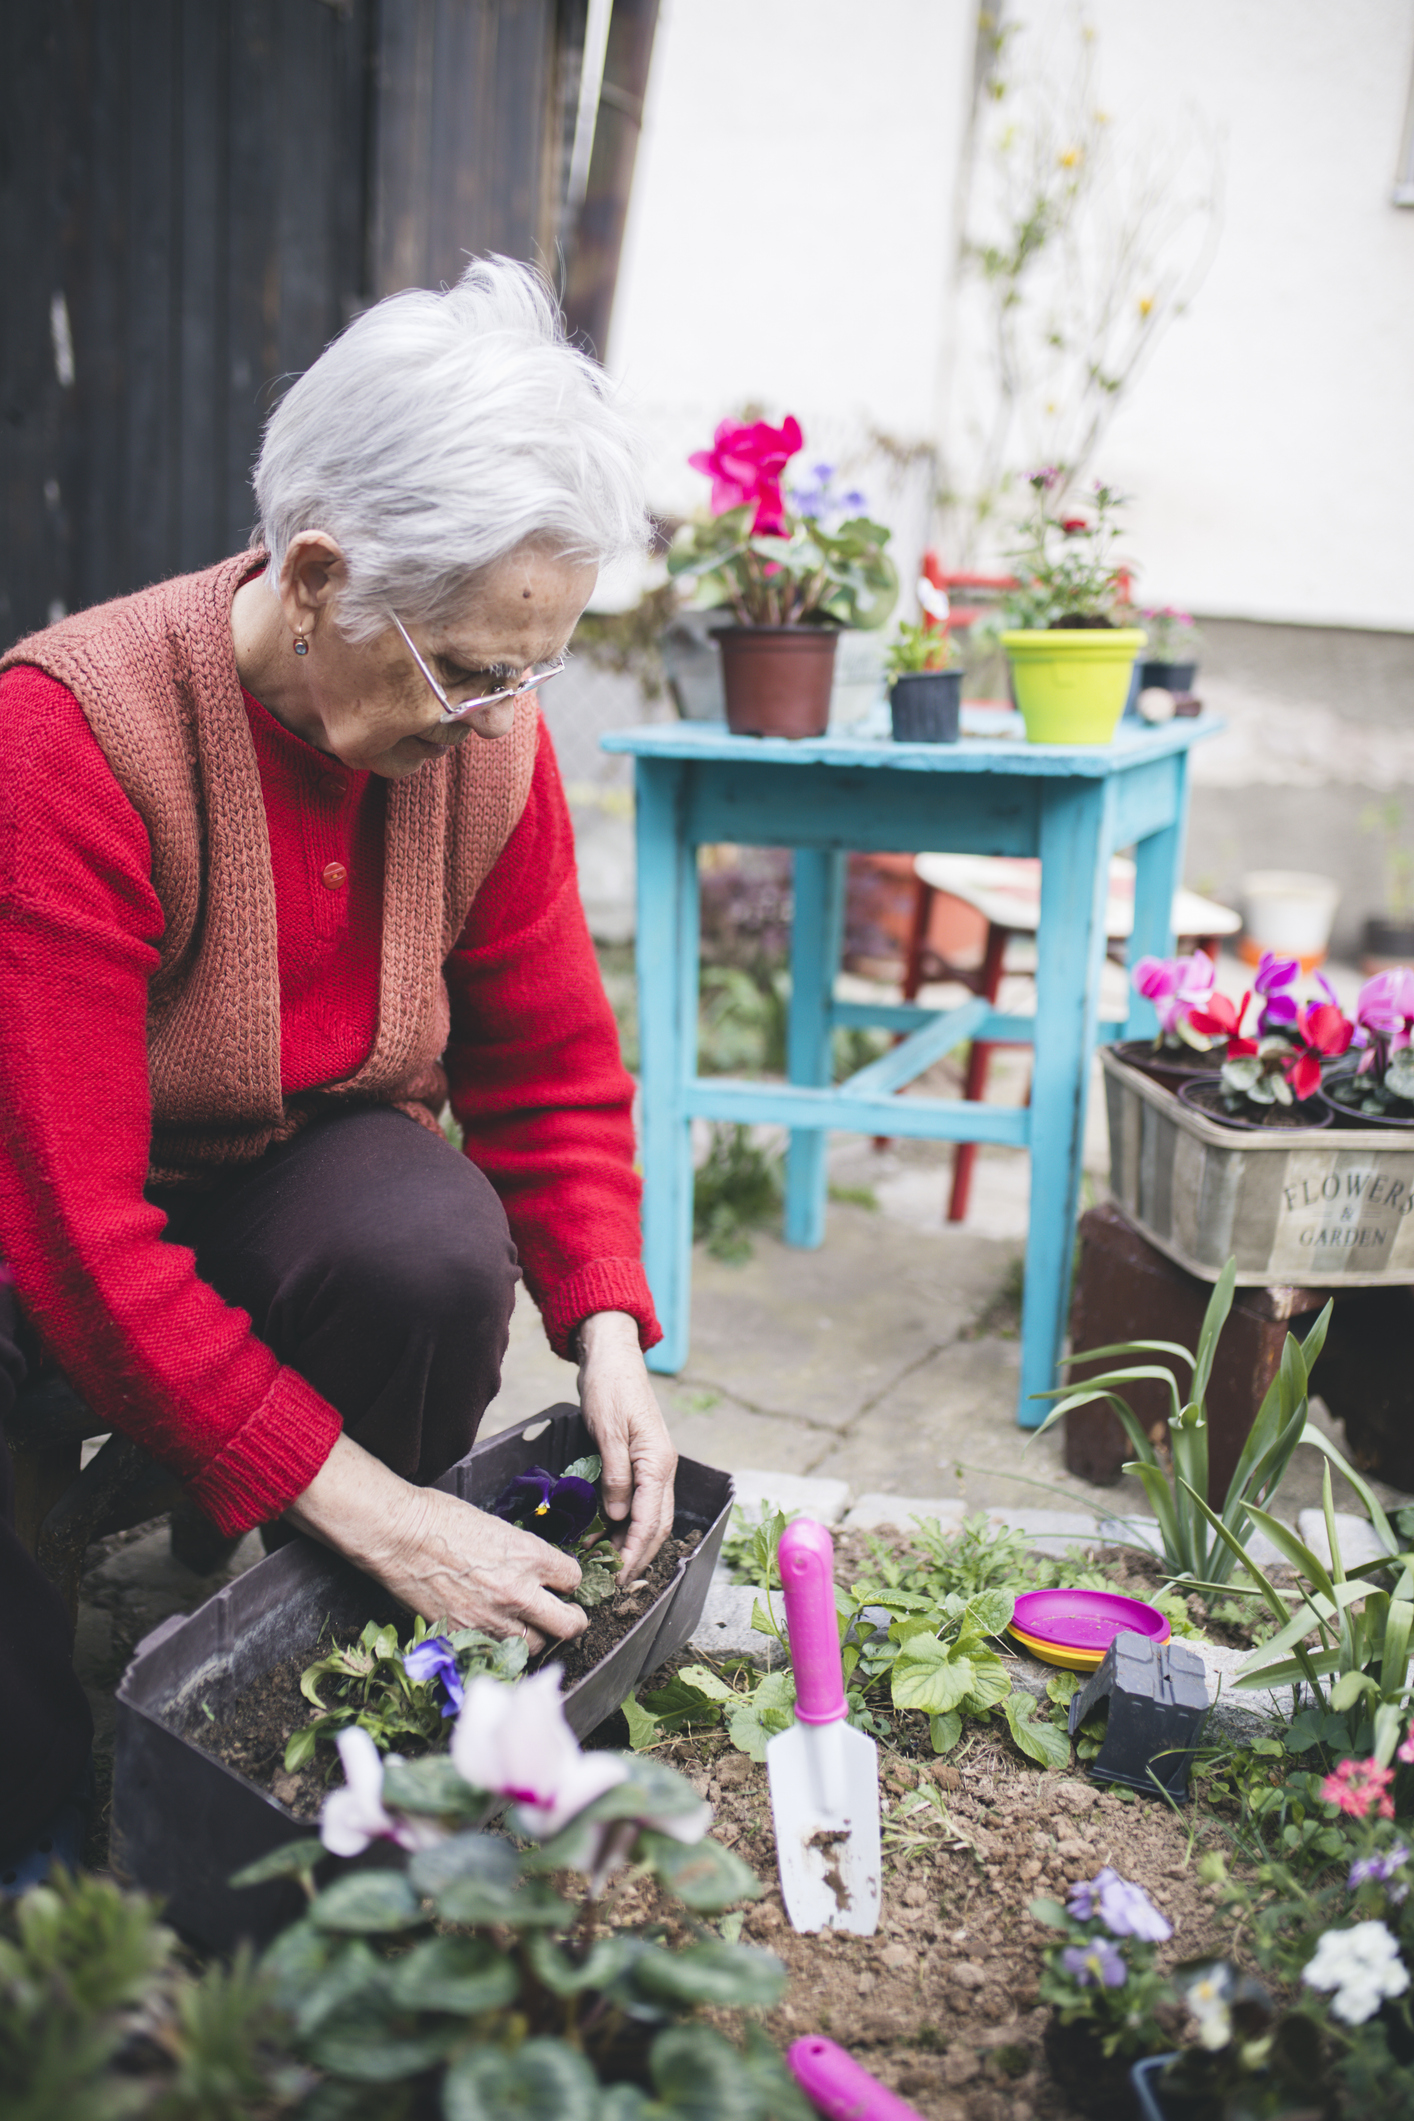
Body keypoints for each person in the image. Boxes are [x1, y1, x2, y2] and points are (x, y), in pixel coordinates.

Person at [0, 259, 674, 1884]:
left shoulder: (482, 741)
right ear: (314, 576)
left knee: (427, 1237)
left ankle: (276, 1652)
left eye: (538, 664)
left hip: (253, 1202)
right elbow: (76, 1232)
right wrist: (379, 1503)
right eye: (465, 663)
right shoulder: (71, 739)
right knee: (31, 1783)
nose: (502, 710)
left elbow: (549, 1057)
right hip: (38, 1241)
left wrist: (602, 1323)